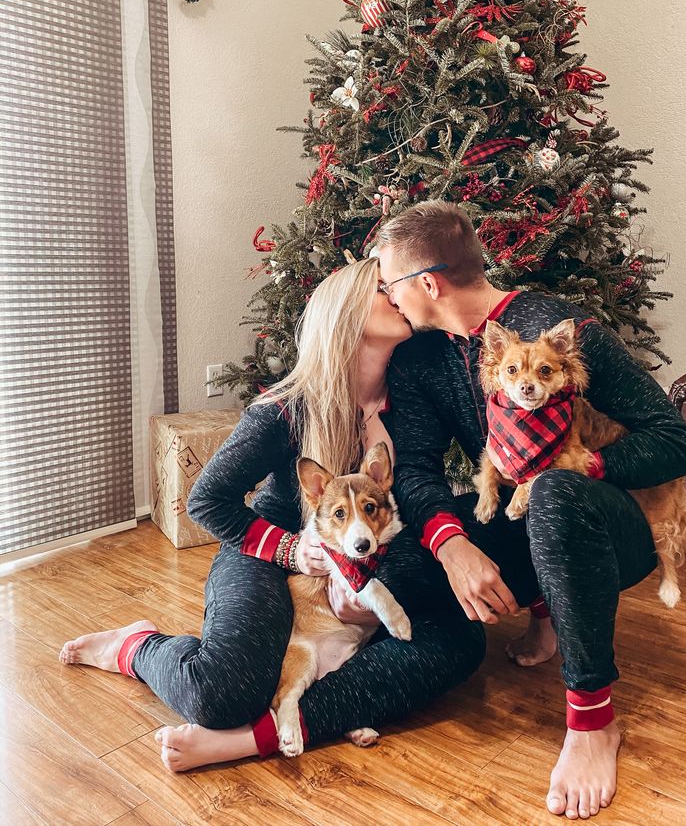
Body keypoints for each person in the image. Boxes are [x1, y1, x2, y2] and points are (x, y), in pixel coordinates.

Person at [59, 258, 488, 772]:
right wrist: (292, 550)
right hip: (269, 553)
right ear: (345, 311)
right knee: (222, 695)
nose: (399, 291)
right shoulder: (286, 408)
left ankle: (274, 726)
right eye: (382, 287)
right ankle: (138, 647)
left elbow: (421, 495)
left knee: (462, 641)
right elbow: (206, 501)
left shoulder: (412, 400)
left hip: (372, 566)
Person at [375, 200, 686, 821]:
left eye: (392, 286)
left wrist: (587, 466)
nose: (389, 300)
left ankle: (591, 720)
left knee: (552, 489)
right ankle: (314, 705)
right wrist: (453, 547)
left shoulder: (561, 330)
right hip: (516, 514)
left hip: (604, 526)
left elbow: (675, 441)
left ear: (428, 284)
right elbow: (416, 470)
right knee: (406, 565)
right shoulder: (419, 360)